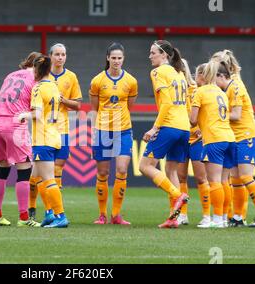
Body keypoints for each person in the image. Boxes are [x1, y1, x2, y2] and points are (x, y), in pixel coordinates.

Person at [214, 50, 255, 227]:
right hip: (236, 137)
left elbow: (237, 115)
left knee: (246, 176)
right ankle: (238, 217)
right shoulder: (228, 87)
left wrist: (216, 115)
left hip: (247, 135)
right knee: (237, 179)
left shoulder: (236, 86)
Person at [139, 40, 190, 229]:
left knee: (145, 166)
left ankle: (178, 195)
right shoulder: (179, 73)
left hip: (169, 125)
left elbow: (167, 103)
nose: (150, 56)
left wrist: (154, 128)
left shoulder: (158, 72)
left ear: (164, 55)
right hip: (183, 127)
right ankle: (173, 218)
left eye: (153, 53)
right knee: (171, 170)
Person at [28, 43, 82, 220]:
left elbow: (78, 104)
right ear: (51, 57)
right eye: (57, 54)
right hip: (51, 132)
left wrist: (63, 100)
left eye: (63, 54)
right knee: (41, 174)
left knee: (49, 174)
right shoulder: (48, 81)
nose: (60, 57)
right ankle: (42, 209)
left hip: (56, 131)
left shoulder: (69, 77)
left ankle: (53, 211)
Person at [0, 51, 42, 227]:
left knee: (2, 170)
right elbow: (36, 112)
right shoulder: (35, 80)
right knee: (24, 171)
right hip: (14, 125)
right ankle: (23, 218)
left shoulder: (10, 75)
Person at [89, 42, 138, 225]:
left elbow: (129, 106)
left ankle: (116, 215)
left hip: (123, 130)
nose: (116, 61)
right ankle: (102, 214)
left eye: (120, 58)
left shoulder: (131, 81)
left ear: (123, 59)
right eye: (113, 58)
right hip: (102, 130)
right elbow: (94, 109)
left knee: (122, 170)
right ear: (108, 58)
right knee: (103, 173)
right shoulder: (97, 81)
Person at [22, 54, 69, 228]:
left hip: (42, 138)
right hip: (55, 135)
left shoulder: (38, 88)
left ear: (36, 70)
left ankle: (60, 215)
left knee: (48, 179)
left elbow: (37, 113)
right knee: (37, 176)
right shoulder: (54, 87)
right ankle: (49, 213)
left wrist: (23, 115)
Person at [190, 60, 236, 228]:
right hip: (230, 138)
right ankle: (223, 217)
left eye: (197, 75)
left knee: (214, 181)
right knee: (224, 181)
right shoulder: (221, 91)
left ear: (203, 76)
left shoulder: (200, 92)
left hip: (214, 139)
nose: (195, 78)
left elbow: (193, 119)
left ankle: (216, 219)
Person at [176, 60, 211, 227]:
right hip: (182, 137)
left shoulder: (197, 89)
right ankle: (183, 214)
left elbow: (208, 113)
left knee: (201, 178)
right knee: (181, 177)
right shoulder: (174, 90)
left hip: (197, 139)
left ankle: (206, 215)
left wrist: (202, 129)